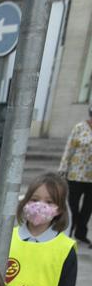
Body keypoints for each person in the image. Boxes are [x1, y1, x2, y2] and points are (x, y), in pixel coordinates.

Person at [59, 105, 92, 247]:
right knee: (72, 204)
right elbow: (69, 148)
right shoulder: (79, 127)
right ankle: (71, 229)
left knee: (88, 207)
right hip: (75, 174)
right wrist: (63, 167)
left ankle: (81, 233)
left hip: (91, 178)